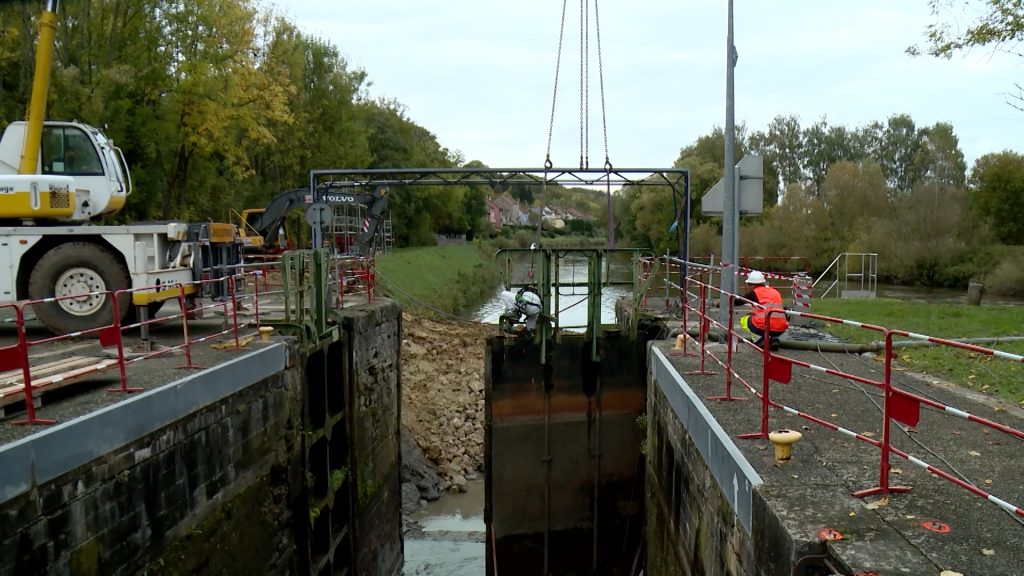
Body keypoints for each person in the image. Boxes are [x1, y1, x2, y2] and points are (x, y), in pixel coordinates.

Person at [734, 270, 788, 350]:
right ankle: (773, 340)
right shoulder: (775, 291)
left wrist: (735, 296)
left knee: (744, 320)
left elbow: (738, 302)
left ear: (752, 284)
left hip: (763, 328)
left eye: (749, 284)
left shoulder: (754, 293)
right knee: (768, 320)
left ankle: (759, 340)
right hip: (780, 329)